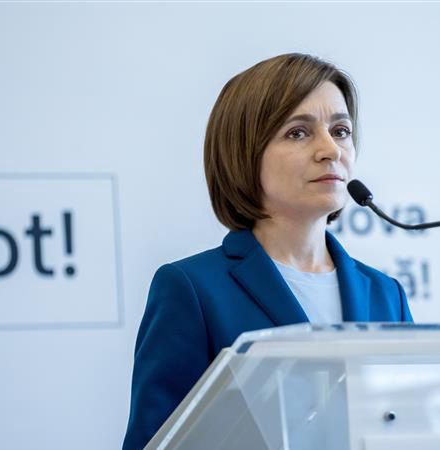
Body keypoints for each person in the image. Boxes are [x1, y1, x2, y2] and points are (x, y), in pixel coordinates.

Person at [122, 53, 413, 450]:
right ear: (244, 153)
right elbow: (155, 441)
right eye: (298, 133)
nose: (330, 150)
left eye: (341, 130)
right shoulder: (192, 289)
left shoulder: (385, 294)